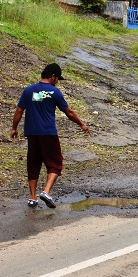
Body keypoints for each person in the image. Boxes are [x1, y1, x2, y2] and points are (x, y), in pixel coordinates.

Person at [10, 63, 91, 209]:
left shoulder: (29, 90)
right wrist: (82, 124)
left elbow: (19, 110)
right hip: (48, 133)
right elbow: (69, 112)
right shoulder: (54, 92)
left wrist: (14, 128)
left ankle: (32, 198)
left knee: (33, 164)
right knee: (55, 162)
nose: (58, 81)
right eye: (58, 78)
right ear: (53, 76)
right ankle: (46, 192)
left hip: (32, 133)